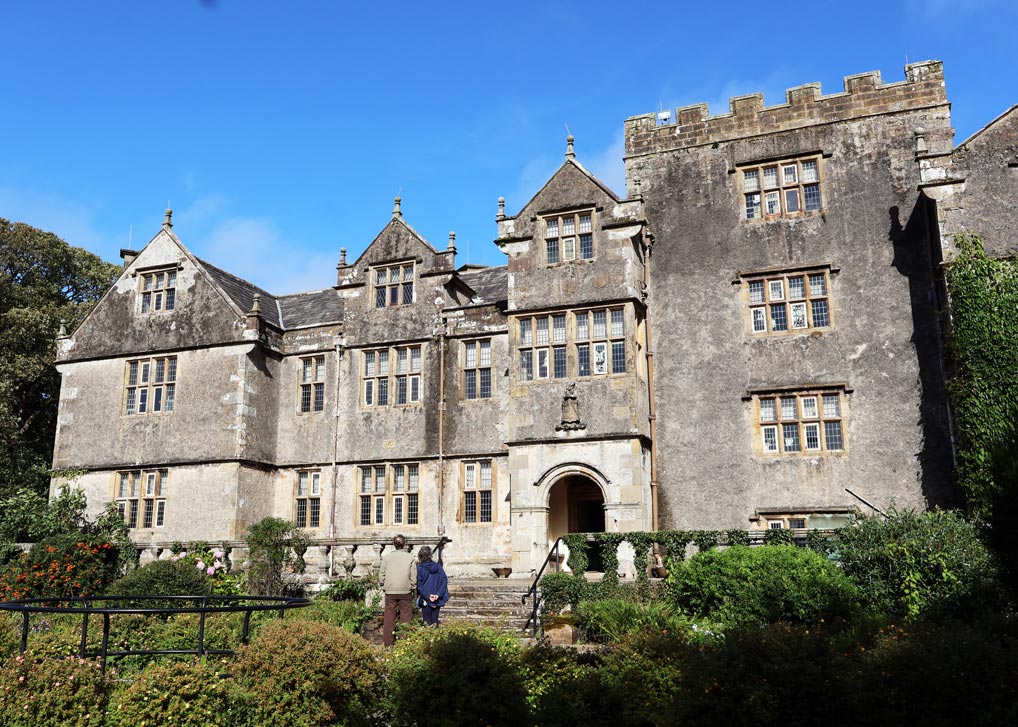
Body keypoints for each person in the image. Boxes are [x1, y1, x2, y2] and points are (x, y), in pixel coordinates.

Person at [379, 534, 417, 647]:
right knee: (406, 618)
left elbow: (381, 575)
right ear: (404, 544)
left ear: (394, 544)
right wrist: (413, 586)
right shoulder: (410, 557)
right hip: (405, 590)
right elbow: (413, 575)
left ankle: (388, 644)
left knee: (389, 618)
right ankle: (404, 643)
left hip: (390, 591)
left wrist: (384, 585)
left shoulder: (386, 558)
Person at [415, 545, 449, 627]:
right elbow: (444, 580)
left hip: (426, 599)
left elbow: (419, 585)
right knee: (435, 621)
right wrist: (438, 594)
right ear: (430, 555)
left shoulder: (419, 568)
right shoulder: (438, 567)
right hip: (437, 598)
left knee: (426, 622)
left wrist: (428, 596)